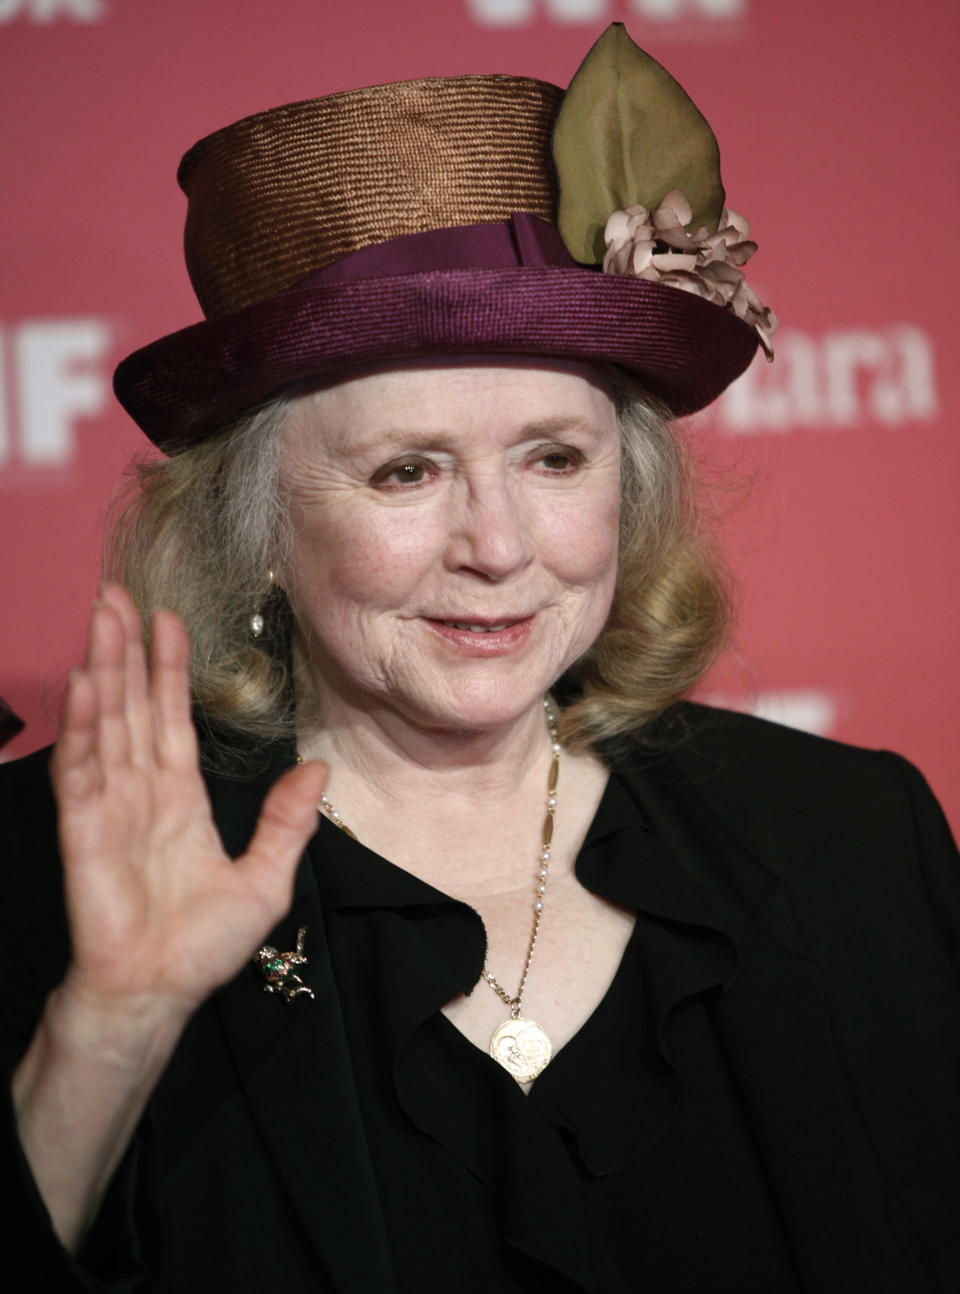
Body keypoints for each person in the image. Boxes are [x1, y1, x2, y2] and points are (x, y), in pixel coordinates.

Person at [3, 23, 959, 1294]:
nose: (498, 546)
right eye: (408, 471)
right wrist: (107, 1032)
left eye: (554, 458)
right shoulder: (44, 875)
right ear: (263, 533)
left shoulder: (850, 834)